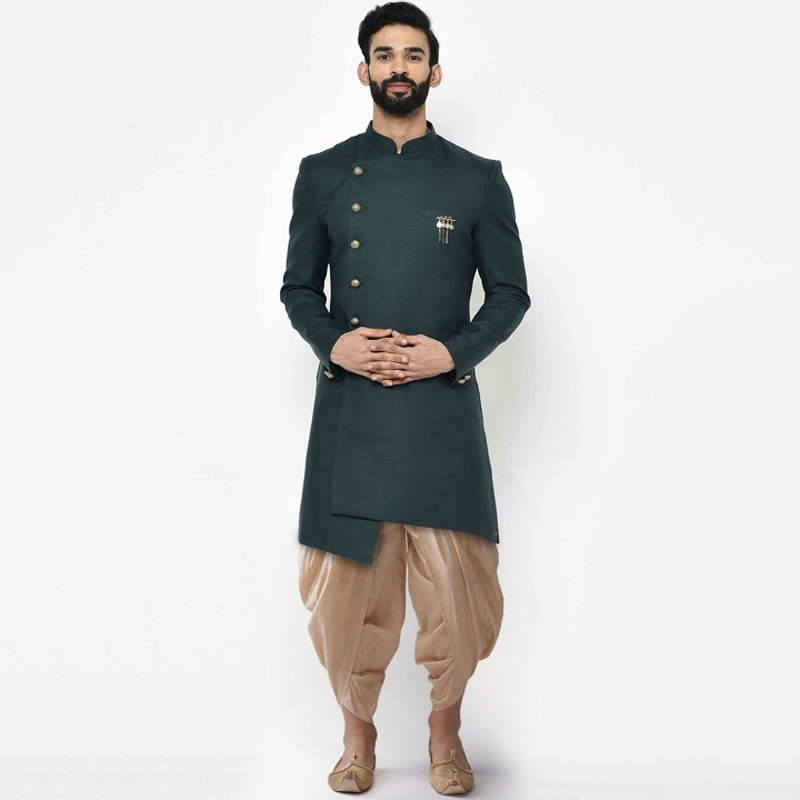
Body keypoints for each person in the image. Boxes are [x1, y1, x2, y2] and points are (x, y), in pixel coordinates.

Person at [280, 2, 530, 793]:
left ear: (433, 71)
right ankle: (356, 741)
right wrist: (335, 342)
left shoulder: (477, 179)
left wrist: (452, 352)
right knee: (343, 600)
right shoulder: (323, 173)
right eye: (384, 54)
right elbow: (298, 289)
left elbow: (510, 295)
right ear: (365, 70)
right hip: (352, 411)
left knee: (458, 593)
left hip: (440, 415)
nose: (398, 67)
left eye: (412, 55)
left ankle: (444, 735)